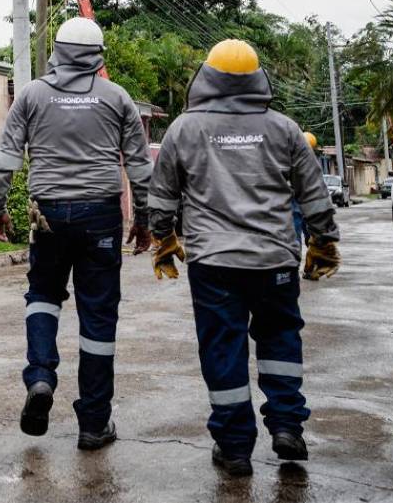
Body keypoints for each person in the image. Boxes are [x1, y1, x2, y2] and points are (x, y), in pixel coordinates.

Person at [149, 39, 341, 478]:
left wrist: (164, 240)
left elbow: (161, 197)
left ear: (207, 77)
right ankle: (288, 425)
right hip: (274, 259)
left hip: (214, 264)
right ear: (257, 78)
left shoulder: (184, 128)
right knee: (279, 340)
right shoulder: (284, 129)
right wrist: (323, 241)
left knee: (223, 349)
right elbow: (313, 194)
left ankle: (235, 448)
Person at [0, 17, 154, 450]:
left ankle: (40, 377)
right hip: (101, 215)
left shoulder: (32, 94)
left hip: (48, 215)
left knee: (43, 294)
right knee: (98, 315)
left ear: (57, 50)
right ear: (99, 55)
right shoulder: (118, 98)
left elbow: (5, 158)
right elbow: (138, 166)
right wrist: (145, 218)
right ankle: (94, 423)